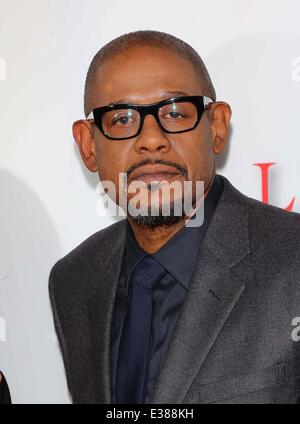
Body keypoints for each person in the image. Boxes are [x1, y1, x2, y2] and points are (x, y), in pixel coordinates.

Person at [49, 30, 300, 404]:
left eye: (175, 112)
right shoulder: (74, 280)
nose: (151, 139)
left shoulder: (292, 259)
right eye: (121, 118)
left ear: (216, 127)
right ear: (88, 145)